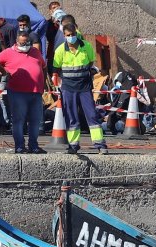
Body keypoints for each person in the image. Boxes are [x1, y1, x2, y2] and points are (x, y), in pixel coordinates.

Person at [53, 23, 107, 154]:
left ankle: (100, 144)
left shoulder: (86, 46)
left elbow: (90, 63)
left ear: (76, 34)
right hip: (68, 88)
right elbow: (56, 68)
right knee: (71, 117)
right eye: (68, 35)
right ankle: (73, 145)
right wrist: (56, 80)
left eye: (73, 35)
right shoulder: (60, 50)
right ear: (64, 36)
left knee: (92, 115)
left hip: (84, 87)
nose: (71, 37)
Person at [0, 31, 47, 154]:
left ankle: (33, 145)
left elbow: (43, 67)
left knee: (35, 120)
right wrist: (4, 71)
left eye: (27, 42)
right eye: (22, 43)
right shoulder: (9, 52)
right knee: (18, 120)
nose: (25, 45)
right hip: (17, 92)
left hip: (35, 92)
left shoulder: (35, 52)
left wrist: (42, 84)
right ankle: (20, 146)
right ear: (17, 42)